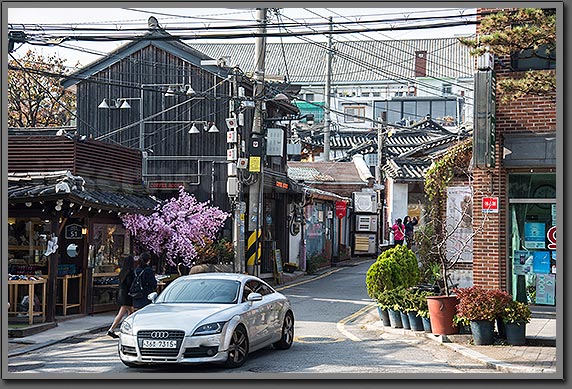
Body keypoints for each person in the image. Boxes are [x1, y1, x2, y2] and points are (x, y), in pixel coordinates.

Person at [107, 255, 135, 338]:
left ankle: (129, 329)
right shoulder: (130, 272)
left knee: (131, 312)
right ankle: (111, 329)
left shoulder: (122, 271)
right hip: (127, 295)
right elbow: (130, 283)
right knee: (121, 313)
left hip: (122, 293)